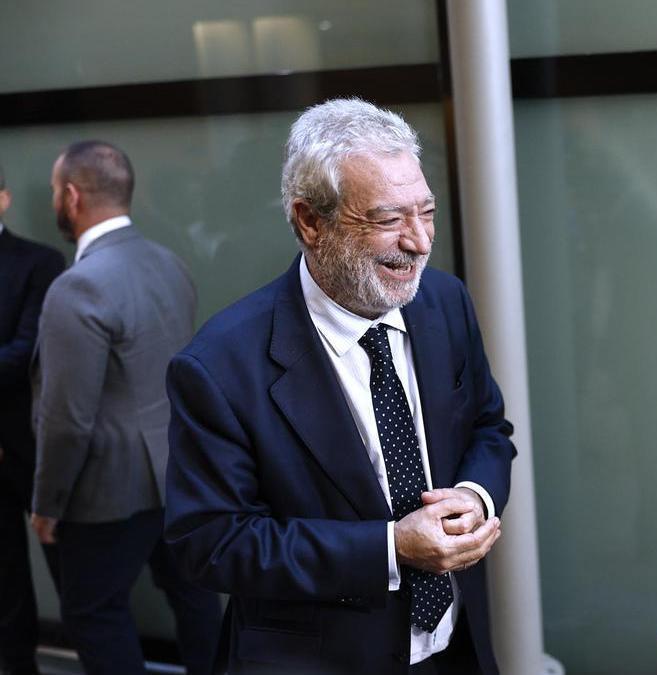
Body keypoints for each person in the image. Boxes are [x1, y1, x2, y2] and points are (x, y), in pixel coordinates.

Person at [164, 98, 514, 674]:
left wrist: (474, 495)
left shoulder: (445, 302)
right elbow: (211, 543)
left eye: (426, 212)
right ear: (309, 221)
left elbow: (487, 426)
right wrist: (390, 548)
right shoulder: (220, 365)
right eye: (388, 219)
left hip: (454, 649)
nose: (420, 241)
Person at [30, 141, 221, 674]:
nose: (53, 200)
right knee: (195, 598)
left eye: (52, 192)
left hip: (105, 489)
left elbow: (68, 418)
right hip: (178, 472)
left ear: (71, 196)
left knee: (92, 612)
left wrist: (48, 504)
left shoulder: (77, 286)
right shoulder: (170, 262)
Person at [0, 164, 65, 675]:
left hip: (33, 441)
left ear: (3, 199)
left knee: (65, 564)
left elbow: (26, 350)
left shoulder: (39, 262)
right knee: (3, 576)